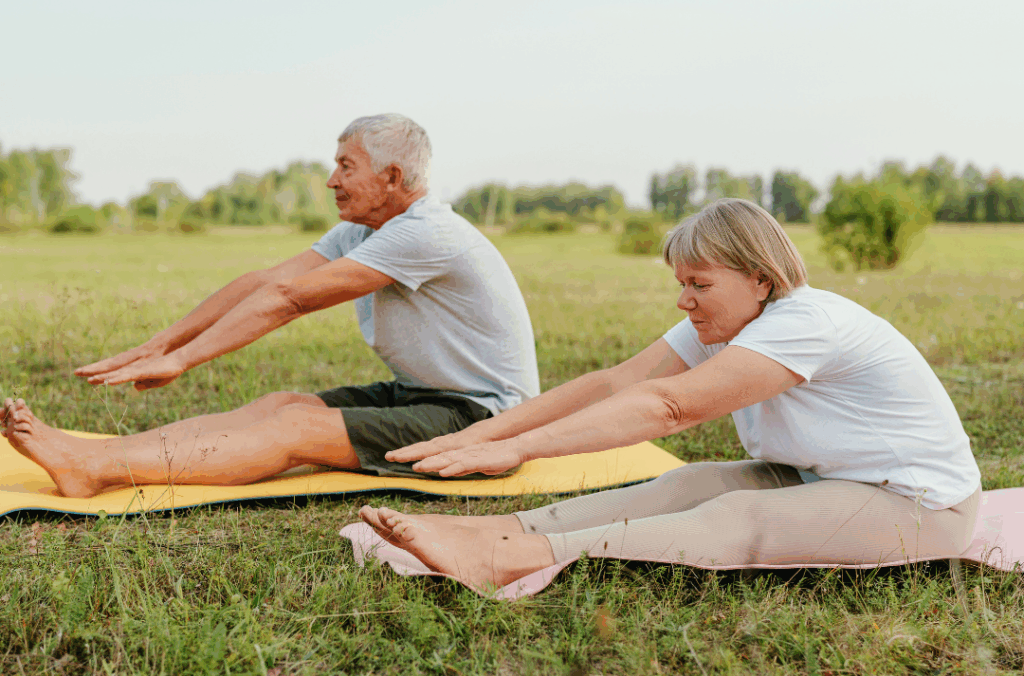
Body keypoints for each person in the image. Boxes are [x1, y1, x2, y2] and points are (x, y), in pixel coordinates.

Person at [358, 198, 982, 590]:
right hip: (824, 478)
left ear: (760, 279)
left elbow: (669, 406)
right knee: (682, 487)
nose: (683, 300)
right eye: (681, 282)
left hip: (919, 507)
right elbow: (615, 383)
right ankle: (494, 531)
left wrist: (520, 450)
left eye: (699, 284)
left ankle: (513, 560)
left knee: (736, 517)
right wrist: (482, 433)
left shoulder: (805, 324)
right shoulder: (730, 318)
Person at [2, 114, 539, 498]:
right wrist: (161, 344)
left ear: (392, 178)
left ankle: (93, 469)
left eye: (346, 166)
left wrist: (183, 361)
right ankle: (93, 457)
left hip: (482, 419)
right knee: (281, 404)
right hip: (427, 395)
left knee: (296, 432)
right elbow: (268, 279)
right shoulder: (369, 228)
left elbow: (288, 300)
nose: (332, 179)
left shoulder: (424, 233)